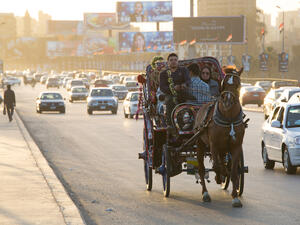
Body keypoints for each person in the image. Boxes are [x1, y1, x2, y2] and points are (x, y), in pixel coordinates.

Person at [160, 53, 190, 125]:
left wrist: (184, 84)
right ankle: (170, 124)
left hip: (182, 93)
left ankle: (188, 122)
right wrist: (173, 88)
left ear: (178, 62)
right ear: (168, 62)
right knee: (170, 101)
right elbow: (162, 87)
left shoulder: (183, 70)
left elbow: (188, 80)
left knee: (192, 100)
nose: (173, 61)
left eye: (175, 60)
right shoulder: (163, 73)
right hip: (169, 95)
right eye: (171, 60)